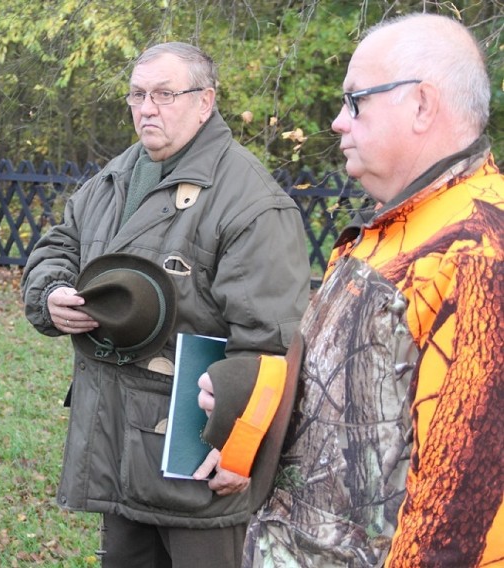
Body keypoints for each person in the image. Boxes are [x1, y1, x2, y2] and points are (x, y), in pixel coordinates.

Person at [198, 13, 503, 567]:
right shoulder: (396, 230)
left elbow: (457, 524)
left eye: (355, 100)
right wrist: (248, 403)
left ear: (421, 105)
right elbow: (353, 401)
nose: (338, 121)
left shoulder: (477, 253)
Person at [21, 42, 311, 567]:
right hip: (117, 447)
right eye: (136, 94)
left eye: (163, 94)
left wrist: (239, 448)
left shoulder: (250, 201)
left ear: (206, 102)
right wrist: (51, 294)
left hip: (197, 464)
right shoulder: (119, 175)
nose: (146, 108)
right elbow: (60, 244)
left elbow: (271, 344)